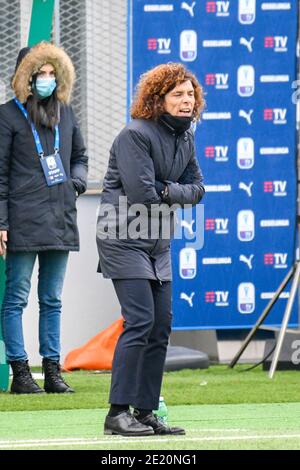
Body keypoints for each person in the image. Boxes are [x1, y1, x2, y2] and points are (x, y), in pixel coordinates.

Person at [96, 62, 205, 436]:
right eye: (178, 95)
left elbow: (198, 189)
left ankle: (143, 412)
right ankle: (116, 414)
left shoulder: (187, 138)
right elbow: (142, 194)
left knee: (160, 327)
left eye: (190, 94)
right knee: (140, 321)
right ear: (158, 99)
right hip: (122, 239)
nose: (186, 100)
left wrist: (166, 189)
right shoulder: (135, 135)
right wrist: (171, 191)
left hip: (158, 243)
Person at [0, 42, 88, 394]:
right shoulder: (7, 116)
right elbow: (0, 176)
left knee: (52, 299)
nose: (47, 80)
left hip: (60, 218)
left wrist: (77, 182)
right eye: (40, 74)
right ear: (25, 77)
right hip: (22, 219)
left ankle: (52, 371)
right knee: (16, 298)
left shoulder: (66, 113)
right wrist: (2, 223)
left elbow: (80, 154)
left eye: (53, 73)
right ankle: (20, 372)